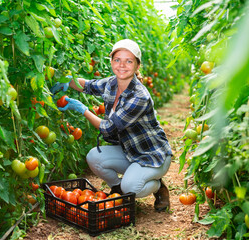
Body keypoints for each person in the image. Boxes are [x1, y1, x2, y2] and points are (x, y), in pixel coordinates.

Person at [51, 39, 172, 212]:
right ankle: (117, 189)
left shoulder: (139, 97)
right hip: (130, 151)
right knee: (94, 157)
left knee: (131, 188)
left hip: (152, 156)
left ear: (137, 66)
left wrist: (83, 109)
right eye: (117, 60)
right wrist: (67, 80)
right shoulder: (112, 84)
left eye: (129, 61)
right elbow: (89, 86)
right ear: (112, 62)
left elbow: (108, 128)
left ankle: (157, 185)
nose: (122, 65)